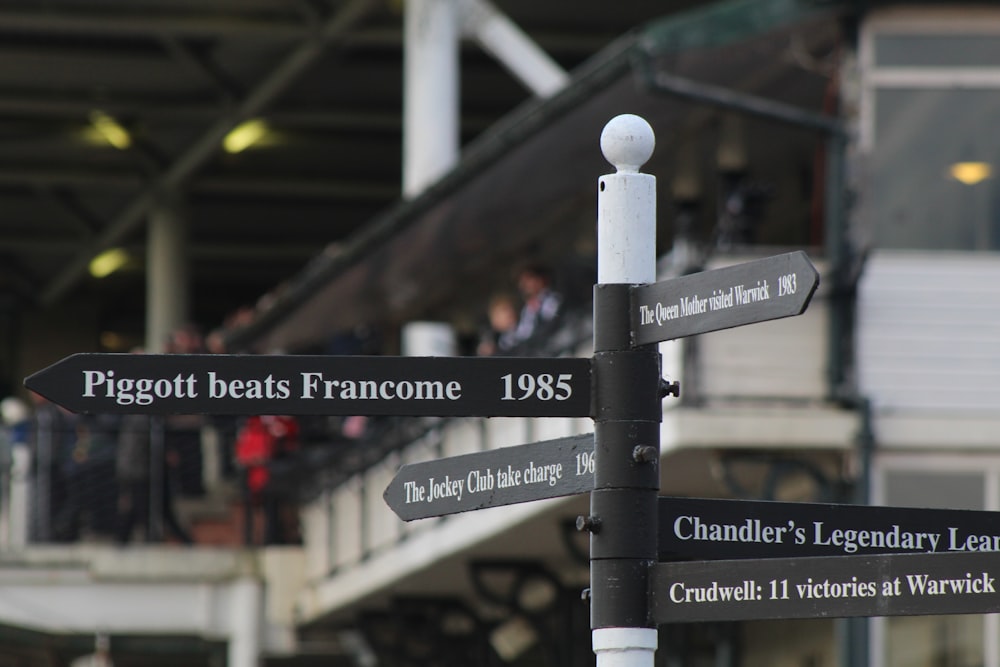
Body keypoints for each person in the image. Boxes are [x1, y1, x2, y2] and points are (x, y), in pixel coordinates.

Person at [508, 263, 563, 354]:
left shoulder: (552, 297)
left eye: (528, 280)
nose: (525, 286)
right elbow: (522, 335)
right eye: (522, 282)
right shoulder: (527, 310)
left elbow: (552, 323)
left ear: (539, 279)